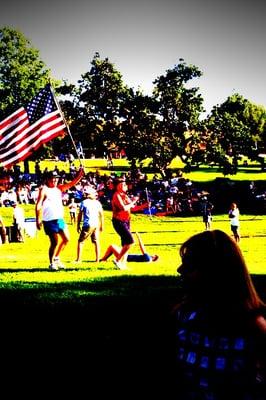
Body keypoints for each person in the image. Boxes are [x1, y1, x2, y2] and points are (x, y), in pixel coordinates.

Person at [174, 229, 266, 399]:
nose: (180, 270)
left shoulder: (252, 328)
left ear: (215, 271)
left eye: (189, 264)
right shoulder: (184, 315)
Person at [35, 167, 84, 271]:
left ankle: (56, 258)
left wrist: (80, 174)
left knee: (66, 239)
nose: (55, 180)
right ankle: (51, 263)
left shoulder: (59, 188)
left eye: (56, 178)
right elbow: (38, 205)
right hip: (49, 220)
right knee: (54, 242)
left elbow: (72, 183)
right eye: (53, 178)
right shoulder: (44, 189)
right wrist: (38, 219)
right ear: (48, 179)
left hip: (59, 219)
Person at [111, 178, 139, 270]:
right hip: (119, 221)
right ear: (117, 186)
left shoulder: (125, 195)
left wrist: (145, 205)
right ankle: (118, 260)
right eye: (122, 184)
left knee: (125, 244)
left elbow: (133, 208)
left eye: (124, 184)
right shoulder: (117, 195)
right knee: (130, 241)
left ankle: (123, 264)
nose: (124, 186)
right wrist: (133, 201)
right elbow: (123, 208)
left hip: (126, 220)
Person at [75, 186, 104, 263]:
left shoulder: (84, 202)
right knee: (96, 241)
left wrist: (78, 225)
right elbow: (101, 215)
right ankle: (97, 259)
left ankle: (78, 259)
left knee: (81, 241)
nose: (96, 195)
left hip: (88, 224)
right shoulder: (98, 203)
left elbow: (79, 215)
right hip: (96, 224)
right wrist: (102, 225)